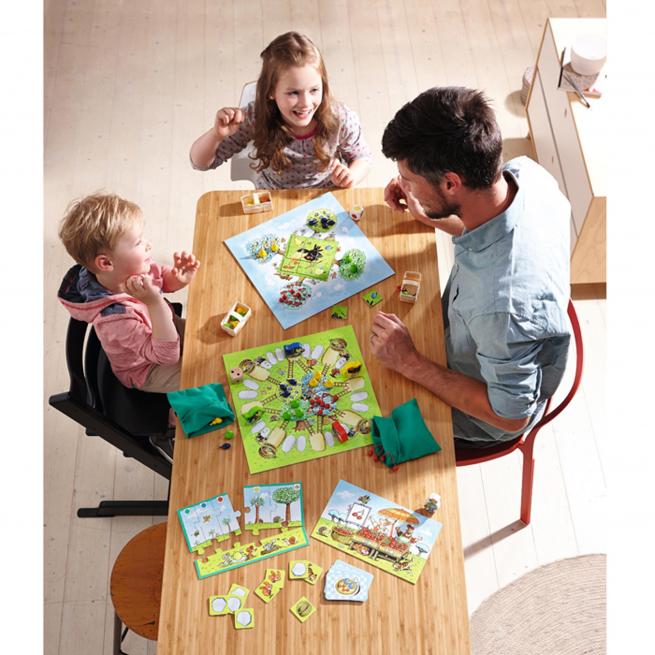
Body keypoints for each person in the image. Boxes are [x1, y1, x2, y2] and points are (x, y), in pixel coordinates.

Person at [371, 86, 572, 447]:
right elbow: (488, 232)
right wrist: (428, 212)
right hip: (486, 339)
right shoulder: (527, 175)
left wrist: (410, 362)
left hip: (481, 413)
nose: (404, 186)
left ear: (451, 183)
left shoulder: (501, 309)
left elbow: (509, 416)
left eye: (410, 180)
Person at [189, 31, 372, 189]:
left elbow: (363, 157)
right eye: (293, 93)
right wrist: (216, 135)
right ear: (271, 91)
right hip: (274, 198)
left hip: (327, 195)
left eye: (314, 90)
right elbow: (200, 163)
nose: (306, 103)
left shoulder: (340, 118)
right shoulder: (255, 117)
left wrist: (351, 176)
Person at [57, 193, 200, 393]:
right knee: (206, 373)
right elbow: (167, 356)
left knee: (213, 337)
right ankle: (177, 409)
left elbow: (161, 277)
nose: (148, 244)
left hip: (168, 329)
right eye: (138, 242)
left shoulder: (130, 268)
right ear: (106, 263)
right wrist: (154, 302)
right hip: (148, 368)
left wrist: (178, 278)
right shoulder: (116, 320)